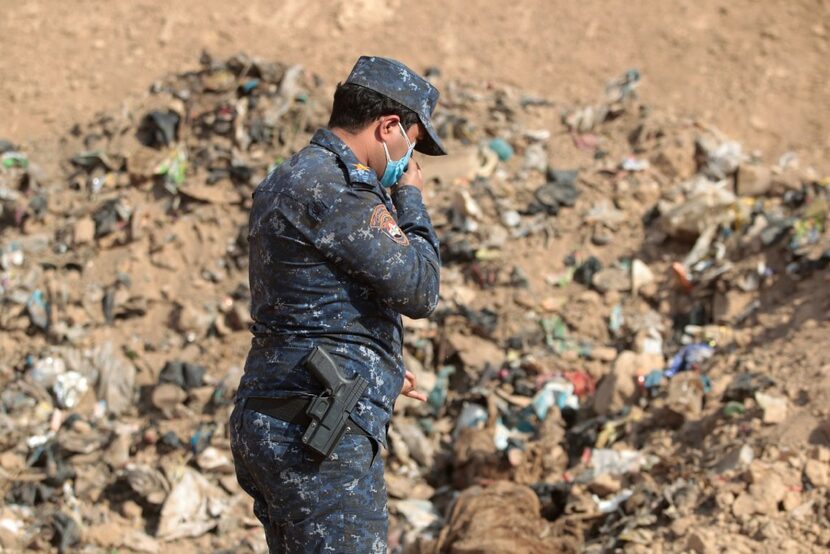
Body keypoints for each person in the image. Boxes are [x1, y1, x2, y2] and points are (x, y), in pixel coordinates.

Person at [229, 55, 446, 553]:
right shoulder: (340, 187)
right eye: (411, 145)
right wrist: (410, 196)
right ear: (388, 126)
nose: (409, 162)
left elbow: (308, 303)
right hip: (319, 430)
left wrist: (380, 366)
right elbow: (419, 288)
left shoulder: (289, 178)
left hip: (279, 411)